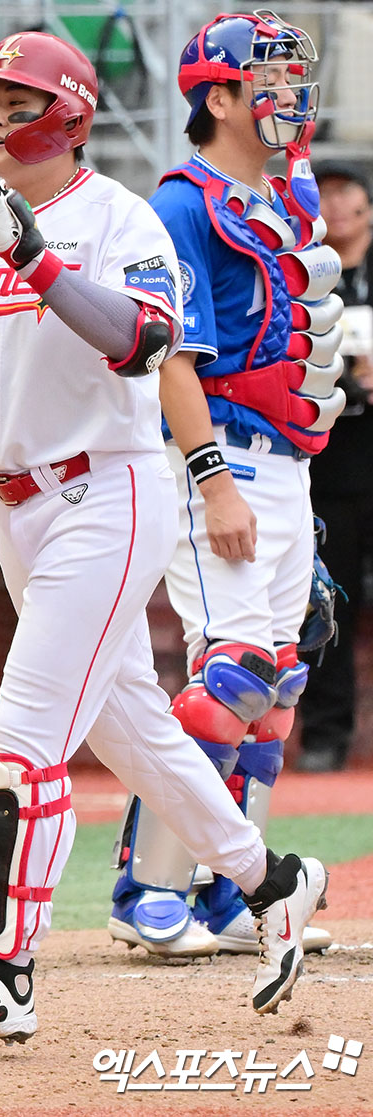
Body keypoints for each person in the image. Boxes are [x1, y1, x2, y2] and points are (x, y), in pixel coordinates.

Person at [0, 29, 328, 1044]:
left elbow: (145, 338)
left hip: (109, 491)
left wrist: (40, 260)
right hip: (12, 501)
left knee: (30, 724)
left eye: (17, 102)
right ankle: (272, 879)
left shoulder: (121, 218)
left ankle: (4, 973)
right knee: (133, 730)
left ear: (68, 114)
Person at [105, 11, 342, 960]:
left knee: (277, 684)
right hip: (219, 460)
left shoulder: (283, 197)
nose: (287, 97)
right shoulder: (180, 204)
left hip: (288, 469)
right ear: (218, 96)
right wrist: (213, 482)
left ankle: (228, 892)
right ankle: (147, 888)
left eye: (292, 78)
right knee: (231, 672)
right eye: (267, 81)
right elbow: (173, 361)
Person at [294, 162, 373, 771]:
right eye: (327, 192)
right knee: (327, 600)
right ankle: (324, 733)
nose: (337, 204)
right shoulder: (303, 271)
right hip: (329, 463)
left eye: (348, 192)